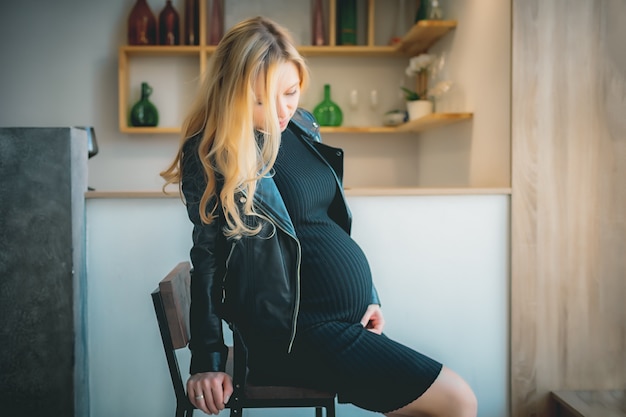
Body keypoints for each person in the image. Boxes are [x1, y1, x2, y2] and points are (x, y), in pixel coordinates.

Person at [161, 16, 477, 417]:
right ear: (230, 93)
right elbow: (207, 262)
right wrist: (206, 360)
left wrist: (369, 296)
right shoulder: (212, 151)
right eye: (260, 99)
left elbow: (324, 222)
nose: (281, 111)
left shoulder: (300, 126)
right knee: (459, 402)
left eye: (290, 92)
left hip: (339, 323)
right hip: (297, 336)